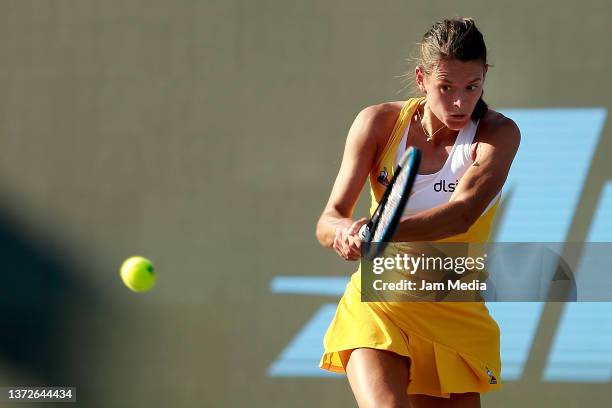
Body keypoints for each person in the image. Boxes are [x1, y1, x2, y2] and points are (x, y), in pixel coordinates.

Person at [315, 17, 520, 407]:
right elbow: (329, 219)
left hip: (453, 312)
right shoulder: (377, 123)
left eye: (472, 87)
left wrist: (381, 231)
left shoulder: (498, 133)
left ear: (484, 78)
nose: (460, 102)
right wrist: (342, 231)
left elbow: (461, 214)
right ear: (421, 79)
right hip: (378, 305)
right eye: (446, 87)